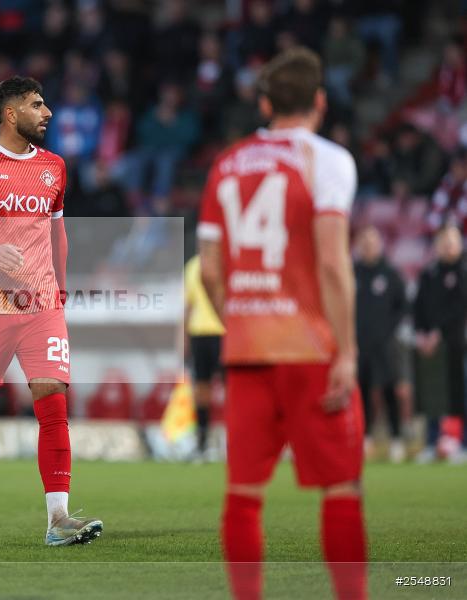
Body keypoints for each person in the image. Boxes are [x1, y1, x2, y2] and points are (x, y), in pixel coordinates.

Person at [198, 48, 366, 600]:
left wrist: (240, 320)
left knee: (242, 494)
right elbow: (333, 263)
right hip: (311, 348)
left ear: (266, 103)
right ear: (320, 100)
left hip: (247, 349)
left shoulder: (226, 162)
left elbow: (209, 271)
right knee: (341, 487)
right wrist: (346, 350)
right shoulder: (327, 160)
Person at [0, 76, 103, 546]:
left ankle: (58, 519)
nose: (47, 111)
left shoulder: (54, 166)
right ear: (11, 114)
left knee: (53, 402)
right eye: (37, 104)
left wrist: (61, 288)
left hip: (40, 304)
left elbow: (57, 233)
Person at [413, 225, 467, 464]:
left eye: (452, 240)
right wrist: (422, 333)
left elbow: (459, 307)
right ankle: (431, 442)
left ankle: (463, 444)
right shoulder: (430, 273)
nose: (448, 245)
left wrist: (439, 331)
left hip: (459, 343)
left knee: (462, 392)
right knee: (432, 394)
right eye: (443, 240)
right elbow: (418, 306)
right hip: (432, 346)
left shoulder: (464, 270)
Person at [353, 226, 408, 462]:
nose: (368, 244)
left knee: (389, 391)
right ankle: (364, 439)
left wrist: (387, 331)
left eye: (372, 240)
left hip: (385, 344)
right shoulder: (352, 273)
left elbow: (403, 307)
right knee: (361, 391)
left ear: (380, 244)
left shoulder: (391, 273)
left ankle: (396, 439)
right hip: (358, 344)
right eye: (364, 240)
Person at [183, 254, 225, 460]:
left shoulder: (226, 260)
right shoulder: (192, 266)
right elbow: (188, 305)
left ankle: (234, 441)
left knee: (232, 389)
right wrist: (183, 339)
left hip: (224, 331)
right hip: (199, 332)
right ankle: (202, 443)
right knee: (201, 389)